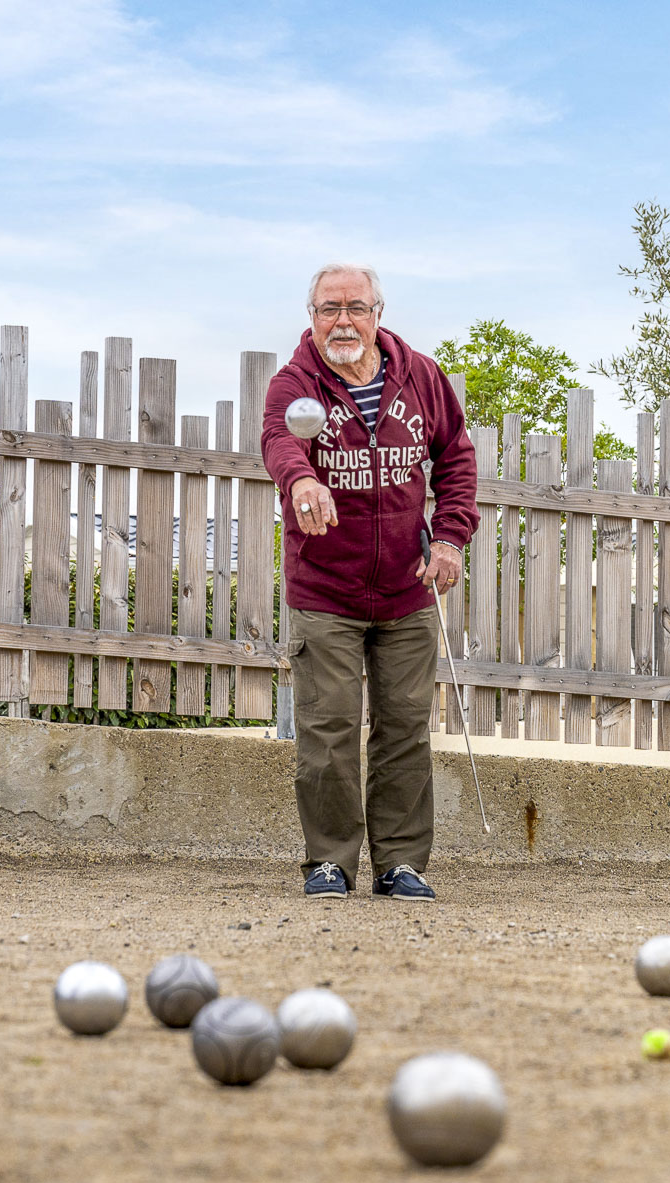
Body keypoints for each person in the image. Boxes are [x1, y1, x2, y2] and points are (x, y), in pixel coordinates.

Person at [261, 263, 479, 901]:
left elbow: (457, 458)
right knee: (327, 729)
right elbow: (281, 441)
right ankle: (330, 862)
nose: (343, 321)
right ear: (312, 317)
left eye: (356, 307)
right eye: (330, 309)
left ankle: (400, 864)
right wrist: (301, 481)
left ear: (378, 313)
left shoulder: (422, 379)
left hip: (408, 590)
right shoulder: (295, 384)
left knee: (404, 726)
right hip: (325, 589)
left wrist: (450, 537)